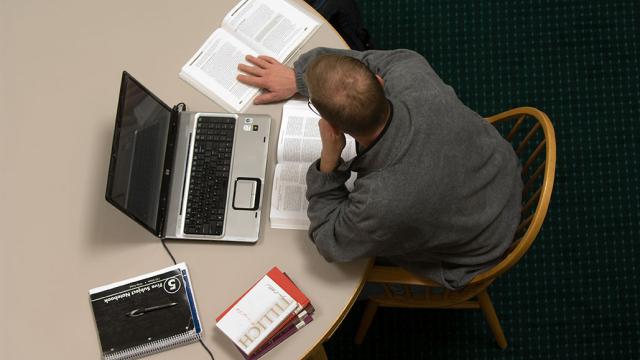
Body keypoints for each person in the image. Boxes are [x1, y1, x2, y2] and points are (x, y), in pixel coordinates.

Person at [236, 48, 523, 290]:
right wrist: (298, 78)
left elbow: (329, 238)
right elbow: (367, 60)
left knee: (347, 285)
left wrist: (329, 162)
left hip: (479, 246)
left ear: (334, 128)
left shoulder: (382, 200)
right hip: (502, 168)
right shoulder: (411, 70)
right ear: (379, 82)